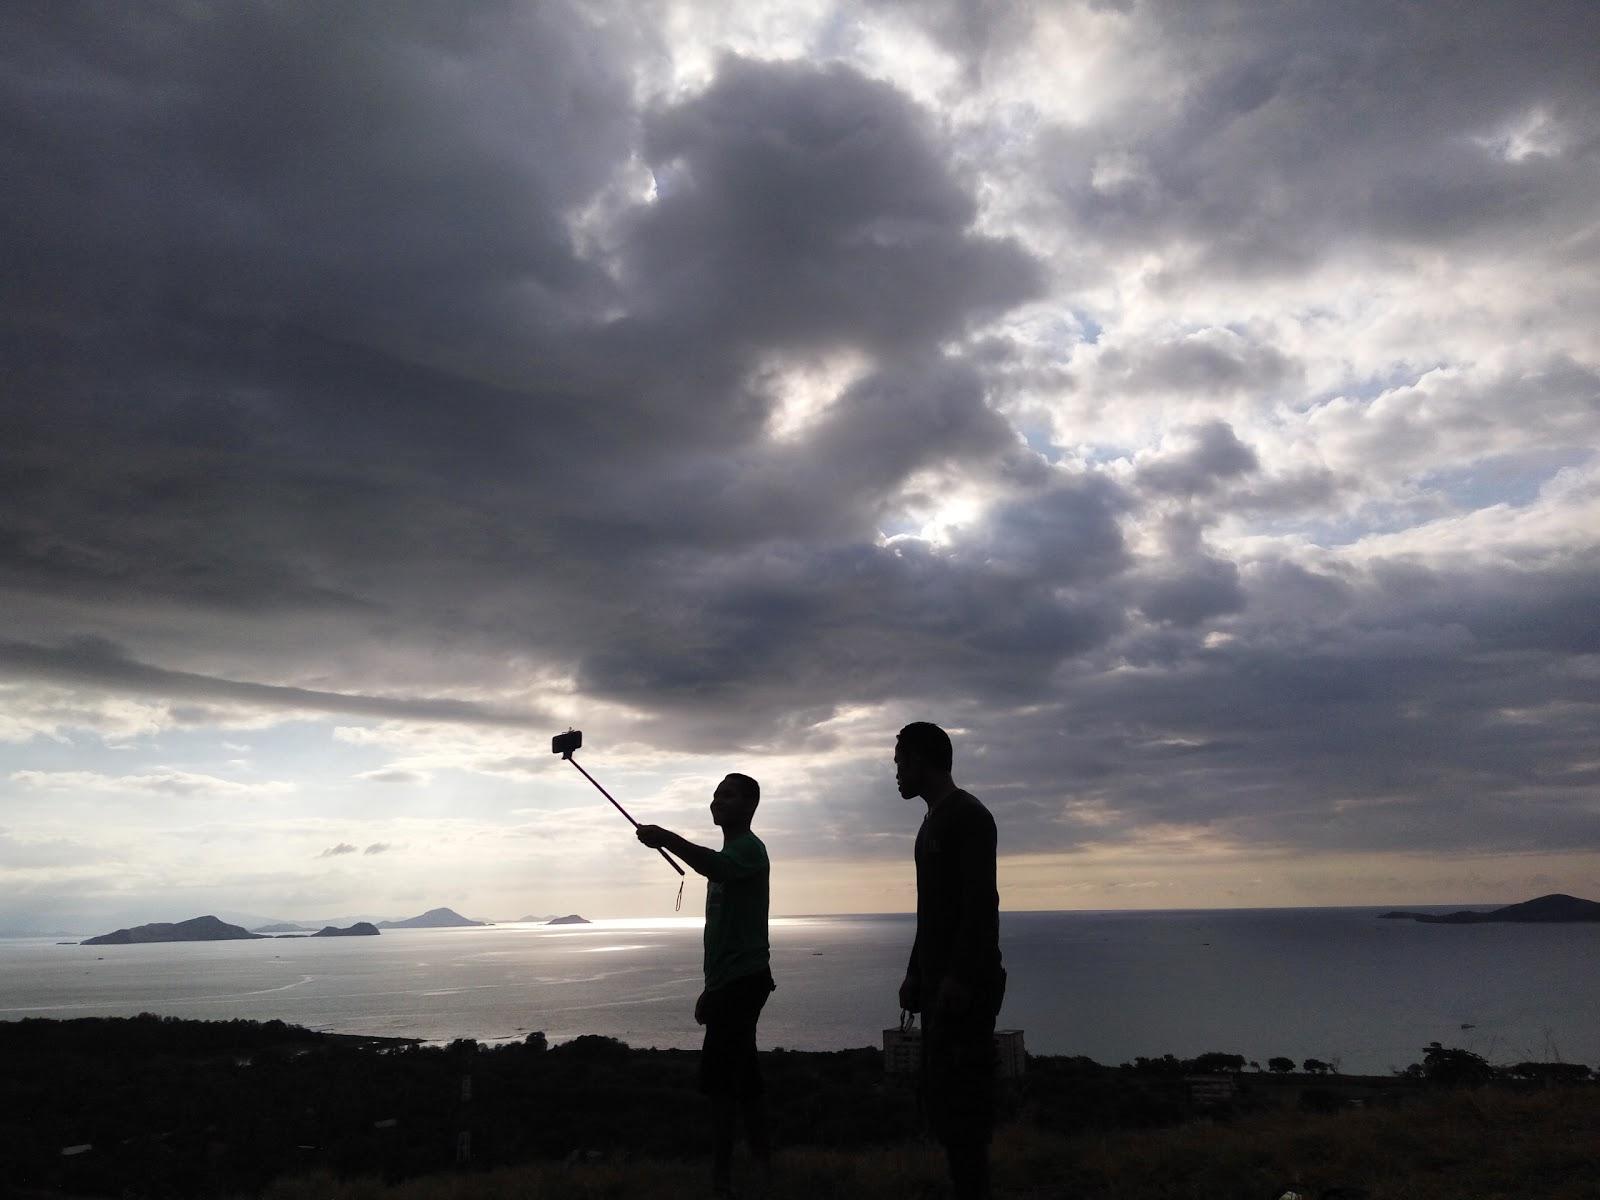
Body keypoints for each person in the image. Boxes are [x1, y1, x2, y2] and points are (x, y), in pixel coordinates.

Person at [637, 773, 773, 1198]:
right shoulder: (731, 854)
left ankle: (723, 1178)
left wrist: (666, 838)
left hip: (743, 982)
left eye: (728, 795)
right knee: (745, 1078)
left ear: (749, 805)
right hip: (732, 983)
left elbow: (712, 866)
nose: (717, 801)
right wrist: (709, 988)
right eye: (715, 794)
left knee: (719, 1083)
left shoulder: (749, 851)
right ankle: (761, 1166)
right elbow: (721, 934)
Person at [895, 722, 1005, 1200]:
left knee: (962, 1108)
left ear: (920, 760)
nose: (896, 773)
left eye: (900, 761)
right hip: (941, 984)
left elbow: (981, 903)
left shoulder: (968, 815)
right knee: (943, 1101)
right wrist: (915, 971)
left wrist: (959, 978)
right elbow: (932, 910)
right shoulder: (932, 821)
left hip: (966, 989)